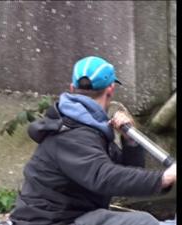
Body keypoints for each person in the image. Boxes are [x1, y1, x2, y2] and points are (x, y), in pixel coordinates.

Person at [9, 56, 176, 225]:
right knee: (142, 222)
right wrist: (164, 177)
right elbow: (103, 176)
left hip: (72, 217)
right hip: (49, 222)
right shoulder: (72, 134)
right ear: (110, 89)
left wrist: (129, 142)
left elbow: (126, 174)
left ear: (72, 88)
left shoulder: (88, 127)